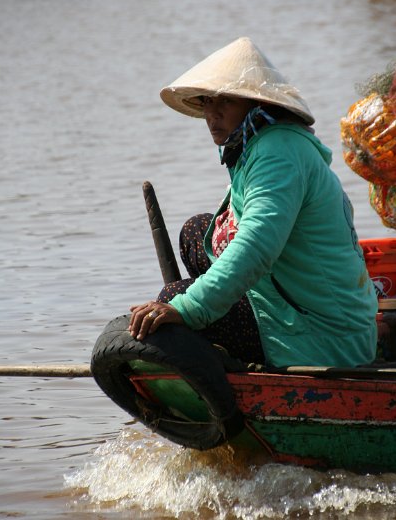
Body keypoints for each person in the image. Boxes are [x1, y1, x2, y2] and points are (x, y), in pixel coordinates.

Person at [129, 36, 378, 368]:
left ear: (254, 104)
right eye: (206, 101)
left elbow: (257, 244)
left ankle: (238, 377)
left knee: (171, 300)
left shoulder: (279, 153)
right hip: (292, 298)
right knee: (195, 232)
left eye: (225, 102)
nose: (211, 114)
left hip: (324, 337)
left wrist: (186, 308)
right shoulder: (253, 145)